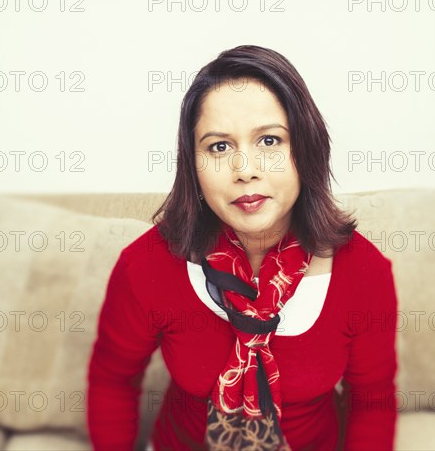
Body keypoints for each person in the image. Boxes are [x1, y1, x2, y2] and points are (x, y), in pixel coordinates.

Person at [87, 45, 399, 451]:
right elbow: (113, 378)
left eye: (269, 140)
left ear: (305, 148)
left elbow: (372, 401)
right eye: (219, 147)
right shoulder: (147, 265)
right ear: (192, 164)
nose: (245, 169)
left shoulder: (365, 272)